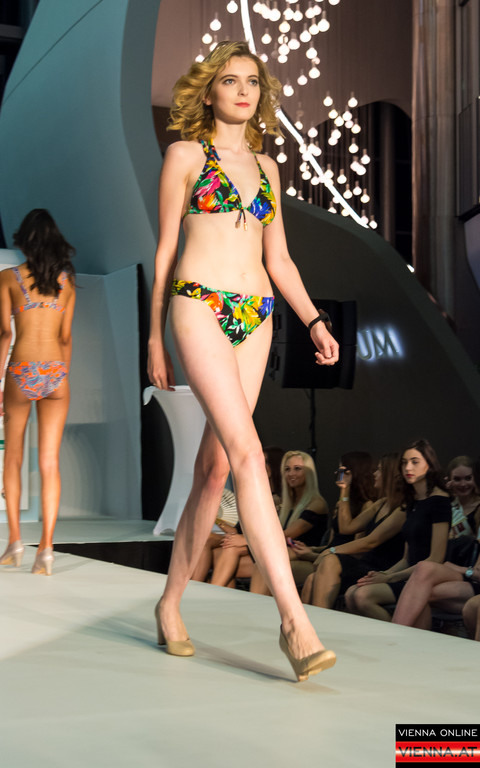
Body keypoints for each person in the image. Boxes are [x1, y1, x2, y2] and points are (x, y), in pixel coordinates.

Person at [147, 41, 339, 681]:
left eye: (252, 82)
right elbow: (166, 249)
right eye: (230, 81)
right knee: (250, 454)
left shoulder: (267, 167)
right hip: (197, 303)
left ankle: (169, 604)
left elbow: (277, 258)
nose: (243, 91)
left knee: (216, 470)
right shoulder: (184, 156)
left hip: (257, 314)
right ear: (209, 92)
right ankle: (294, 621)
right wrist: (153, 337)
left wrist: (314, 320)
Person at [0, 209, 75, 575]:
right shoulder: (66, 282)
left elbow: (5, 334)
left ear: (24, 241)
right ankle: (46, 549)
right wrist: (61, 375)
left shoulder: (7, 278)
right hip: (56, 373)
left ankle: (15, 541)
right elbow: (65, 338)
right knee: (50, 463)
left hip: (21, 370)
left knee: (12, 459)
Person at [344, 439, 451, 621]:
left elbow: (436, 558)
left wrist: (390, 577)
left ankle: (395, 635)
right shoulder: (412, 502)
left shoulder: (439, 501)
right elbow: (406, 558)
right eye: (404, 463)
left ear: (429, 465)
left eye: (415, 462)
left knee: (362, 596)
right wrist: (385, 574)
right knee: (351, 593)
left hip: (424, 578)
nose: (408, 468)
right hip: (407, 573)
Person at [300, 453, 405, 609]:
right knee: (311, 579)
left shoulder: (402, 509)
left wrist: (331, 551)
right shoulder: (382, 503)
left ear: (390, 476)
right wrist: (344, 489)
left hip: (380, 569)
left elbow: (370, 542)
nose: (375, 474)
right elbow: (347, 528)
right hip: (364, 564)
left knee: (330, 560)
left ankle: (321, 620)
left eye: (379, 470)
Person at [191, 446, 283, 585]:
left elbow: (275, 535)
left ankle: (204, 589)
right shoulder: (256, 495)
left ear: (272, 468)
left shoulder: (278, 501)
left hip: (261, 548)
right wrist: (217, 519)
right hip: (244, 543)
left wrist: (245, 540)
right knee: (206, 538)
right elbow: (236, 532)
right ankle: (193, 586)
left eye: (262, 461)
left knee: (227, 552)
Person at [288, 451, 377, 589]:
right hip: (326, 556)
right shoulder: (341, 504)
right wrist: (311, 549)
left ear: (353, 474)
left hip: (340, 563)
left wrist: (312, 555)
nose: (338, 475)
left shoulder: (367, 506)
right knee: (279, 561)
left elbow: (356, 550)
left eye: (342, 472)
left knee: (282, 571)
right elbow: (331, 544)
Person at [249, 450, 329, 595]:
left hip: (309, 560)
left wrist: (244, 540)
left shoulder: (317, 503)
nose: (291, 473)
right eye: (287, 469)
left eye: (297, 469)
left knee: (265, 564)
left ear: (309, 473)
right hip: (283, 557)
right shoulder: (286, 503)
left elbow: (286, 534)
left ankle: (253, 606)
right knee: (237, 560)